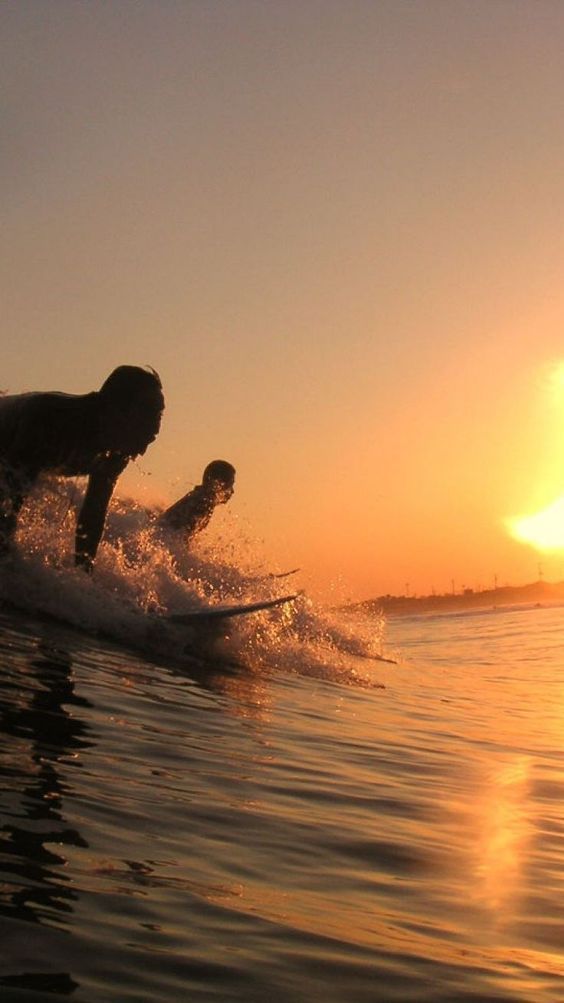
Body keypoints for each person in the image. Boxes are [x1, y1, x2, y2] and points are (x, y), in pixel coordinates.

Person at [0, 365, 164, 572]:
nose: (155, 429)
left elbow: (92, 515)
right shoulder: (50, 421)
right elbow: (8, 497)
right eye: (149, 414)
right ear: (115, 408)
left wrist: (83, 576)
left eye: (159, 416)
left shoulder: (116, 450)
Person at [157, 459, 235, 544]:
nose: (232, 491)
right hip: (160, 540)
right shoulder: (202, 502)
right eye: (230, 484)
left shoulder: (200, 497)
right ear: (218, 483)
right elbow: (181, 539)